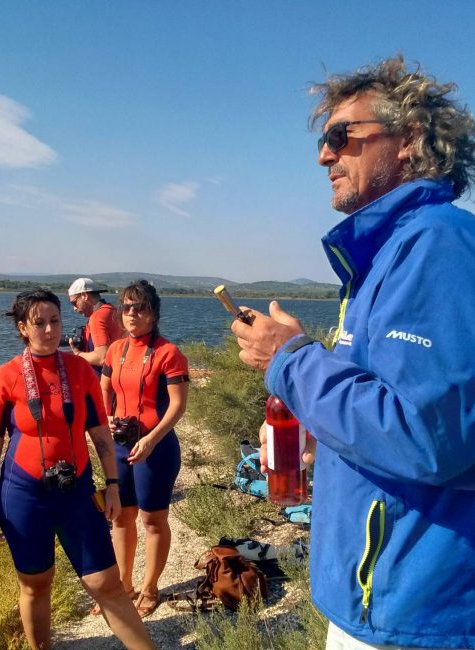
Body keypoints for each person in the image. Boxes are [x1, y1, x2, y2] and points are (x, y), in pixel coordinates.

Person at [231, 56, 475, 650]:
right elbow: (391, 407)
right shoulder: (388, 256)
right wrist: (328, 429)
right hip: (382, 592)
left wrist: (290, 359)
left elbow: (429, 436)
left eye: (341, 137)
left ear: (410, 140)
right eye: (324, 139)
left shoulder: (434, 244)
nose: (324, 156)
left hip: (412, 607)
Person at [0, 288, 154, 650]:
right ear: (23, 328)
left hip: (75, 489)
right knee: (36, 584)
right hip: (23, 494)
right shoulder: (5, 377)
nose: (49, 330)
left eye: (55, 321)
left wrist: (114, 486)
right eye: (39, 323)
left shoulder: (78, 370)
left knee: (105, 583)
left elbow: (101, 434)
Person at [101, 280, 189, 618]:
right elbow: (104, 385)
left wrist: (151, 439)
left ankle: (151, 588)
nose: (133, 313)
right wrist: (107, 418)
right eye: (127, 307)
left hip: (157, 446)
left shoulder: (169, 353)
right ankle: (123, 585)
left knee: (153, 520)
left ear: (153, 314)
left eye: (140, 307)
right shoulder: (115, 350)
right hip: (121, 446)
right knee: (122, 516)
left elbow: (177, 406)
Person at [67, 277, 124, 376]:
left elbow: (101, 358)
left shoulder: (97, 317)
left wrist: (77, 354)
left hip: (103, 383)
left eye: (74, 302)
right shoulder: (113, 311)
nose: (74, 308)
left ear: (84, 295)